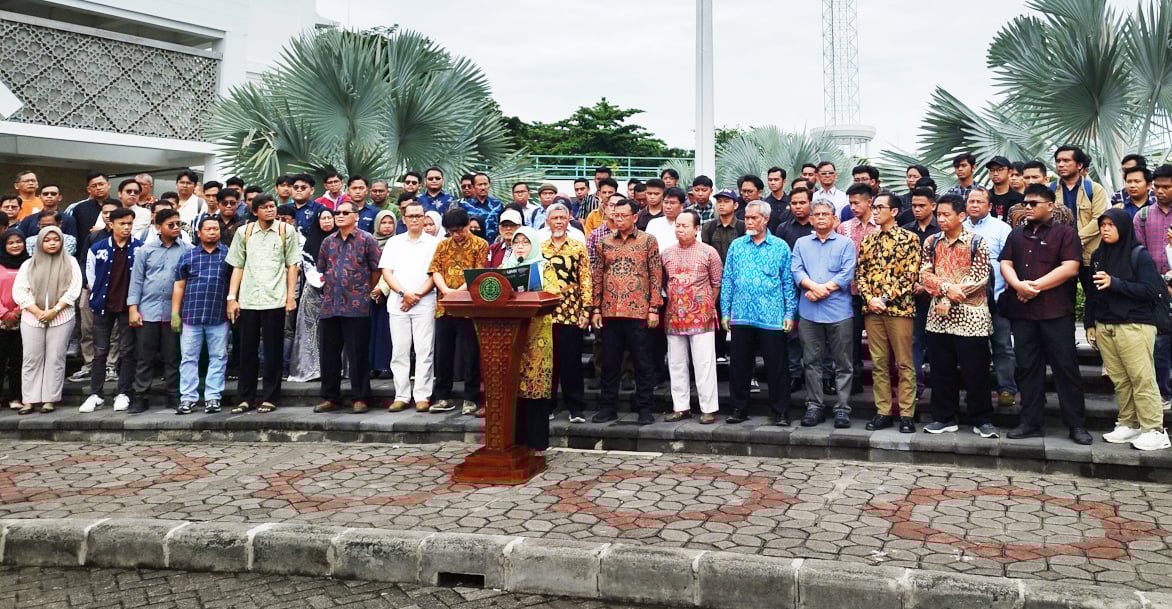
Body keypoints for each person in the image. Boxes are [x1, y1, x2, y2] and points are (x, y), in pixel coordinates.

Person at [999, 184, 1091, 444]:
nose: (1027, 207)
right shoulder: (1017, 235)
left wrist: (1033, 287)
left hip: (1055, 313)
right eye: (1025, 203)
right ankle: (1030, 422)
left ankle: (1076, 425)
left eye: (1033, 203)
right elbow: (1006, 262)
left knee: (1066, 369)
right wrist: (1018, 285)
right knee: (1027, 368)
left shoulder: (1065, 234)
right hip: (1023, 313)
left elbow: (1071, 267)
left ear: (1050, 206)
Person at [1086, 209, 1170, 451]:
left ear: (1123, 227)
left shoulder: (1138, 254)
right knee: (1120, 379)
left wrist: (1116, 283)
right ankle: (1129, 423)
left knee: (1141, 377)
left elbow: (1150, 290)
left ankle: (1154, 429)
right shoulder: (1098, 255)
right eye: (1103, 224)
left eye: (1111, 225)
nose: (1105, 229)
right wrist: (1091, 323)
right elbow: (1092, 293)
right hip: (1106, 324)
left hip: (1135, 324)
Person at [919, 196, 996, 437]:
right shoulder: (931, 242)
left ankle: (981, 419)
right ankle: (943, 417)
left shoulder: (977, 242)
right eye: (938, 215)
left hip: (971, 316)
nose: (940, 219)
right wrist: (944, 290)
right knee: (941, 370)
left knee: (977, 371)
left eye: (946, 215)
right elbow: (924, 274)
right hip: (939, 318)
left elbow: (980, 277)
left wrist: (948, 295)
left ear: (961, 216)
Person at [721, 200, 797, 425]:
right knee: (739, 365)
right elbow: (728, 279)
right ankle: (738, 409)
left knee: (776, 367)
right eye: (747, 217)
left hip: (772, 316)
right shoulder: (737, 246)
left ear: (765, 219)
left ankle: (781, 412)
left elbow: (787, 283)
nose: (749, 222)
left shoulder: (780, 246)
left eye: (754, 218)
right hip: (742, 314)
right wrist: (725, 311)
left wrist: (789, 313)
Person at [590, 198, 663, 425]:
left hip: (639, 311)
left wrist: (653, 308)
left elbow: (655, 275)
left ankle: (644, 408)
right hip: (610, 311)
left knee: (642, 361)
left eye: (624, 216)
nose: (619, 219)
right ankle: (608, 407)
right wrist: (595, 308)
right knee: (610, 363)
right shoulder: (603, 243)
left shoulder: (648, 241)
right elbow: (597, 276)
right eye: (615, 216)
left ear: (634, 217)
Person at [225, 194, 300, 414]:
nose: (269, 210)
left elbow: (292, 266)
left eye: (272, 207)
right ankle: (245, 398)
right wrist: (232, 298)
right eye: (264, 207)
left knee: (273, 350)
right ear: (255, 211)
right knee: (246, 350)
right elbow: (237, 266)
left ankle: (270, 397)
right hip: (248, 299)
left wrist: (290, 297)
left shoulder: (286, 231)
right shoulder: (244, 232)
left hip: (275, 298)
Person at [856, 192, 921, 433]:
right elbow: (860, 273)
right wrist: (870, 298)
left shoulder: (910, 239)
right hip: (872, 309)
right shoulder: (868, 241)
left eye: (880, 207)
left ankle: (906, 413)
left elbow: (910, 275)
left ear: (894, 211)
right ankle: (883, 411)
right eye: (874, 207)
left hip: (899, 309)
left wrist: (884, 298)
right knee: (879, 363)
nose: (875, 210)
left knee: (904, 363)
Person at [313, 201, 382, 413]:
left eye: (345, 212)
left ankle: (360, 397)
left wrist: (365, 291)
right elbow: (322, 268)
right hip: (329, 305)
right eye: (337, 213)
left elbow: (376, 269)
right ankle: (329, 397)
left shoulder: (366, 239)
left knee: (357, 354)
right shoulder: (328, 241)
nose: (340, 216)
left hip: (357, 305)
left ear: (356, 216)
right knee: (329, 354)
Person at [792, 201, 856, 428]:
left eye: (825, 214)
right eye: (816, 214)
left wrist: (821, 290)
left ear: (834, 219)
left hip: (838, 311)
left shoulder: (846, 243)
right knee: (811, 361)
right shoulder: (801, 243)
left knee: (843, 363)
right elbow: (796, 270)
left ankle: (842, 408)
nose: (820, 217)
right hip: (809, 312)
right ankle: (814, 406)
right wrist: (812, 287)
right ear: (810, 219)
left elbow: (847, 273)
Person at [661, 210, 722, 424]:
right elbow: (663, 283)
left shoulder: (709, 253)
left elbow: (717, 284)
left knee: (704, 363)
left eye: (685, 225)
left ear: (697, 229)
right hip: (674, 316)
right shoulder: (666, 253)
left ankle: (708, 408)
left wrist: (704, 305)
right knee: (676, 363)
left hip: (702, 317)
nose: (680, 229)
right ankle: (681, 407)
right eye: (677, 225)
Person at [13, 226, 82, 414]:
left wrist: (55, 309)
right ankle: (29, 399)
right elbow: (19, 291)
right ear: (40, 242)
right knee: (31, 358)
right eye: (47, 240)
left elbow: (74, 290)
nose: (52, 243)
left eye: (56, 239)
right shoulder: (28, 264)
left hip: (61, 316)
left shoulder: (71, 262)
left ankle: (49, 399)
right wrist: (37, 311)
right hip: (32, 317)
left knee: (55, 357)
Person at [128, 208, 190, 413]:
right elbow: (136, 282)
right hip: (148, 310)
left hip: (174, 312)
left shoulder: (187, 249)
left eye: (178, 224)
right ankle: (140, 396)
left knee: (172, 357)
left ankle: (173, 395)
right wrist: (133, 309)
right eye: (170, 225)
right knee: (144, 357)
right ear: (158, 227)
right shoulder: (146, 251)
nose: (175, 228)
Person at [79, 208, 141, 414]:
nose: (126, 227)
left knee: (127, 350)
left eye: (129, 223)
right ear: (111, 224)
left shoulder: (140, 248)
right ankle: (95, 393)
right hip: (103, 304)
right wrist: (97, 297)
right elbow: (91, 276)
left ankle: (123, 392)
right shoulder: (98, 248)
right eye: (122, 223)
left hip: (129, 306)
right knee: (100, 351)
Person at [502, 227, 557, 450]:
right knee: (512, 385)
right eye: (517, 242)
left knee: (535, 384)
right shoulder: (504, 268)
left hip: (536, 334)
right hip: (509, 334)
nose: (521, 246)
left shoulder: (545, 266)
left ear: (534, 244)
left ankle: (536, 442)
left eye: (526, 242)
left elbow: (553, 294)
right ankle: (513, 439)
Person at [429, 207, 488, 414]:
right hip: (444, 306)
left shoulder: (481, 245)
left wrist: (458, 292)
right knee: (443, 354)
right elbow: (435, 270)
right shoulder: (443, 245)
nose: (456, 235)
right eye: (451, 231)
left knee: (470, 354)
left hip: (469, 308)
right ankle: (443, 396)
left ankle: (470, 398)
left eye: (459, 230)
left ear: (467, 225)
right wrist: (445, 290)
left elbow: (478, 273)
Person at [381, 201, 439, 412]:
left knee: (424, 351)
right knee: (399, 351)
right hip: (398, 303)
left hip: (425, 303)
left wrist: (417, 295)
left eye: (418, 215)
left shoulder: (435, 243)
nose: (415, 219)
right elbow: (387, 272)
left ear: (425, 218)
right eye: (410, 216)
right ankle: (402, 395)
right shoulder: (394, 243)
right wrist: (404, 294)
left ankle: (422, 395)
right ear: (403, 219)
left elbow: (436, 274)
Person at [961, 189, 1017, 408]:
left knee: (1002, 345)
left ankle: (1006, 389)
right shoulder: (960, 227)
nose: (974, 205)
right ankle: (976, 391)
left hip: (997, 296)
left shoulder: (1002, 228)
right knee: (973, 349)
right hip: (966, 301)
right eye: (971, 201)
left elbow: (1010, 261)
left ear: (990, 206)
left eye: (979, 202)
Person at [172, 216, 231, 414]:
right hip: (191, 315)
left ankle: (213, 397)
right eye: (208, 229)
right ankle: (187, 398)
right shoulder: (188, 256)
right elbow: (179, 286)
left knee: (219, 356)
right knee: (189, 358)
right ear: (199, 233)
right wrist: (175, 313)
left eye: (215, 228)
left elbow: (234, 283)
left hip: (219, 314)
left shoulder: (228, 255)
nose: (212, 232)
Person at [541, 203, 591, 422]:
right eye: (555, 218)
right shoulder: (540, 247)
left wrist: (586, 309)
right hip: (545, 312)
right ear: (548, 221)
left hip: (571, 309)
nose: (559, 222)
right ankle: (547, 406)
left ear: (568, 219)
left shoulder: (578, 246)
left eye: (562, 217)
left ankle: (575, 408)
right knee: (547, 361)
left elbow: (586, 280)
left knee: (571, 360)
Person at [836, 183, 880, 395]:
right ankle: (852, 382)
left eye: (857, 203)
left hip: (876, 294)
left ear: (869, 201)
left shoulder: (881, 226)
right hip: (849, 292)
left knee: (878, 341)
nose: (852, 207)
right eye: (850, 203)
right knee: (850, 340)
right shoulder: (843, 228)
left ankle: (882, 386)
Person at [1136, 164, 1172, 408]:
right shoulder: (1144, 216)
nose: (1160, 191)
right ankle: (1163, 393)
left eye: (1166, 187)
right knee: (1159, 343)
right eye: (1157, 187)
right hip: (1157, 289)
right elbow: (1139, 255)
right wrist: (1160, 285)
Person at [287, 209, 335, 383]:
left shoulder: (341, 240)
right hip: (314, 292)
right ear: (318, 221)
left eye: (330, 218)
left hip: (339, 293)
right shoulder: (311, 242)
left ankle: (339, 369)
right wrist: (323, 283)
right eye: (323, 218)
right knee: (311, 331)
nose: (327, 221)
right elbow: (308, 268)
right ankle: (312, 369)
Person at [903, 188, 941, 398]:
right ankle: (915, 387)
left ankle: (939, 386)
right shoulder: (906, 231)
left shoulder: (941, 231)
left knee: (938, 342)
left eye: (921, 206)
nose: (916, 210)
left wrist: (929, 285)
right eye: (914, 206)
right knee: (914, 341)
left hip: (940, 295)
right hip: (912, 295)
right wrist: (914, 285)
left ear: (933, 206)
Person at [702, 188, 744, 365]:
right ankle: (718, 354)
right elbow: (704, 254)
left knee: (738, 322)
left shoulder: (743, 226)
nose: (722, 204)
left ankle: (739, 359)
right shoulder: (709, 226)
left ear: (735, 205)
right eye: (719, 201)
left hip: (738, 281)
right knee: (717, 317)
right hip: (715, 281)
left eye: (726, 201)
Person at [0, 229, 28, 410]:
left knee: (19, 361)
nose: (15, 245)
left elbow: (32, 290)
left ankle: (16, 397)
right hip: (1, 320)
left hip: (24, 318)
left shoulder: (30, 264)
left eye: (19, 241)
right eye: (10, 242)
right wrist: (4, 313)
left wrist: (17, 312)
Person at [462, 173, 502, 243]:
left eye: (485, 184)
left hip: (493, 246)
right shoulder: (465, 205)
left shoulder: (497, 205)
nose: (483, 187)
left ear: (489, 185)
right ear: (473, 187)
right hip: (472, 245)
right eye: (480, 185)